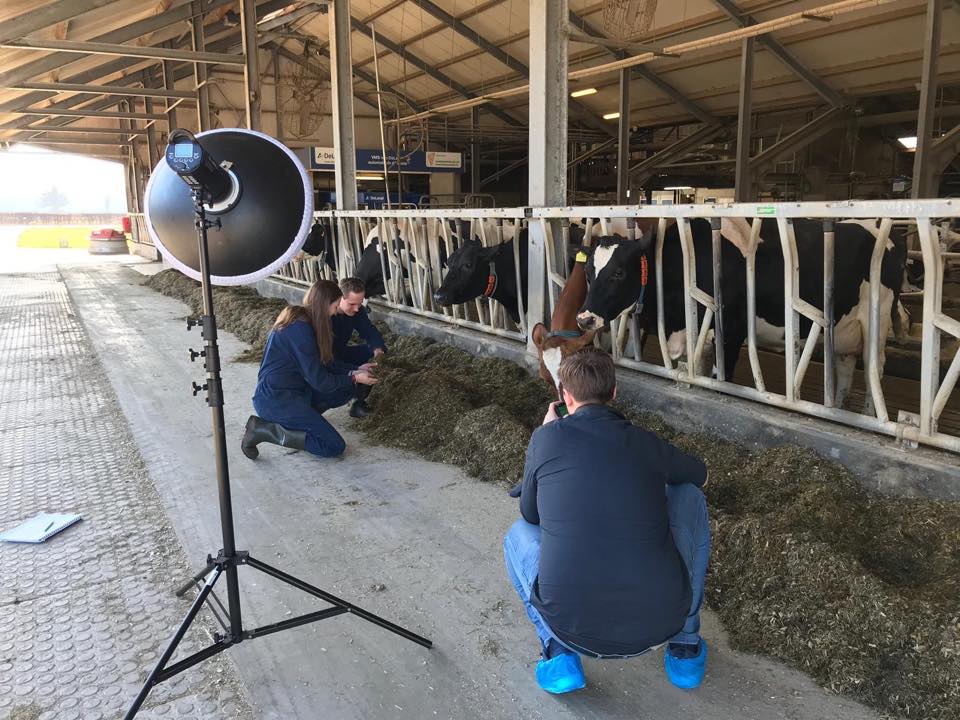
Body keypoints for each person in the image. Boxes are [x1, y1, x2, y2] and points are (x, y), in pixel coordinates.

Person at [503, 347, 710, 694]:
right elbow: (699, 474)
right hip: (661, 621)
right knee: (689, 495)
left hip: (572, 627)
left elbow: (530, 514)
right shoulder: (644, 442)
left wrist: (547, 437)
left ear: (564, 396)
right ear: (614, 393)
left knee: (517, 534)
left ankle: (559, 653)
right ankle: (685, 647)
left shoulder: (545, 438)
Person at [241, 279, 378, 460]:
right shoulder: (299, 329)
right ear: (324, 305)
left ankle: (304, 419)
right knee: (333, 446)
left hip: (297, 391)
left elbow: (327, 364)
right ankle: (264, 430)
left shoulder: (307, 322)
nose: (335, 311)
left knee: (345, 389)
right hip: (277, 400)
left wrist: (355, 370)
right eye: (335, 306)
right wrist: (354, 378)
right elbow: (320, 380)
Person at [331, 277, 387, 418]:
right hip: (327, 358)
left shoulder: (357, 311)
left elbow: (369, 331)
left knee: (377, 352)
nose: (356, 308)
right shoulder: (327, 315)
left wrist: (378, 350)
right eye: (352, 304)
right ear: (340, 299)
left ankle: (359, 402)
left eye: (360, 303)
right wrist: (354, 370)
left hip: (341, 352)